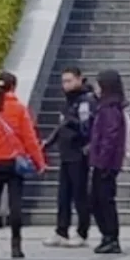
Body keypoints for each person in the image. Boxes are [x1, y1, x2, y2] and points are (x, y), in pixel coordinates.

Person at [0, 71, 46, 260]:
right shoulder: (20, 109)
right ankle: (16, 246)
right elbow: (30, 139)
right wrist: (39, 161)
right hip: (15, 161)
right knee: (16, 204)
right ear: (13, 87)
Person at [42, 67, 97, 248]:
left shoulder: (86, 101)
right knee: (63, 195)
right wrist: (48, 143)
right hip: (66, 153)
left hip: (79, 153)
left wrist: (73, 126)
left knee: (79, 194)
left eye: (69, 81)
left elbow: (87, 127)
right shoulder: (68, 102)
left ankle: (82, 231)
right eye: (64, 81)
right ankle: (61, 230)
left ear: (80, 79)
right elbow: (61, 126)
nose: (66, 85)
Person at [88, 70, 128, 255]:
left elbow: (110, 137)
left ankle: (111, 237)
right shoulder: (107, 106)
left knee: (103, 200)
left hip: (106, 163)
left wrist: (101, 160)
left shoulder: (110, 109)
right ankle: (108, 236)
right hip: (104, 161)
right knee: (98, 199)